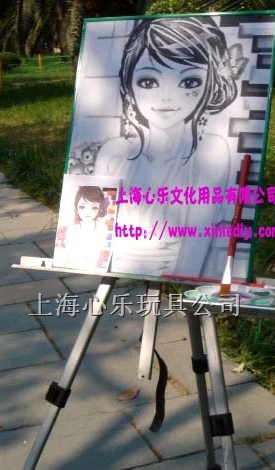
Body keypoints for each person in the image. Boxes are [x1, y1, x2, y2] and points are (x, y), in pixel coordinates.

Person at [94, 16, 243, 278]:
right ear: (128, 86)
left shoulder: (210, 152)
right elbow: (94, 236)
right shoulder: (112, 154)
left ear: (210, 86)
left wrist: (179, 288)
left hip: (174, 272)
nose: (166, 97)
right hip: (113, 266)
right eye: (148, 81)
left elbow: (196, 243)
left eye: (189, 82)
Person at [58, 186, 109, 270]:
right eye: (82, 207)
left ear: (100, 209)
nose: (87, 212)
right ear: (76, 208)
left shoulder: (104, 231)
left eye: (94, 207)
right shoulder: (68, 230)